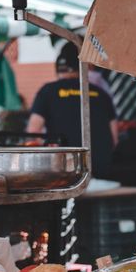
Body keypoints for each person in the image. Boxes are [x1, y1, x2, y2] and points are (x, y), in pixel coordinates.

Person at [27, 41, 117, 178]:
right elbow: (114, 139)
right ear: (82, 68)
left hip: (65, 174)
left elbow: (33, 133)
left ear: (57, 69)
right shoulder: (101, 94)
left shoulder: (47, 91)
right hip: (101, 170)